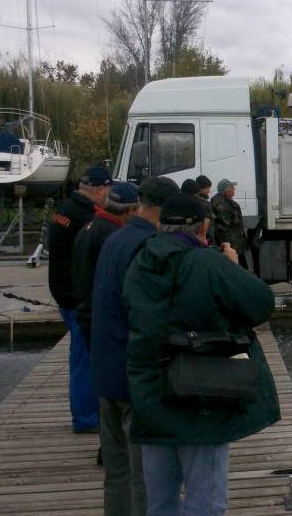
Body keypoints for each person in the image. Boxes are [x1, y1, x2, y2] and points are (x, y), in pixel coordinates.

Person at [125, 195, 279, 516]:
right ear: (204, 226)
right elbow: (261, 303)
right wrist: (232, 266)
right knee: (206, 503)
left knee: (160, 503)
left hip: (150, 392)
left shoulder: (140, 259)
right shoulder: (206, 262)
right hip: (199, 396)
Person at [91, 177, 179, 516]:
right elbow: (150, 314)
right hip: (135, 379)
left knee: (116, 474)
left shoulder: (114, 239)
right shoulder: (148, 245)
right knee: (146, 476)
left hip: (105, 374)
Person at [48, 165, 111, 433]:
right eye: (108, 189)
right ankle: (86, 418)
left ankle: (86, 413)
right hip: (77, 296)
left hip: (63, 292)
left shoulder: (64, 209)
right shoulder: (87, 215)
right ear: (99, 189)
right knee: (84, 359)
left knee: (80, 356)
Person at [72, 181, 139, 346]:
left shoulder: (87, 227)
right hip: (103, 317)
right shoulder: (115, 236)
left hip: (84, 311)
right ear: (130, 210)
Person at [212, 179, 249, 269]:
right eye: (233, 189)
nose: (234, 191)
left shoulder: (222, 201)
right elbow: (223, 226)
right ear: (227, 190)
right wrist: (226, 246)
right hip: (231, 244)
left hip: (233, 243)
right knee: (239, 269)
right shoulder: (222, 204)